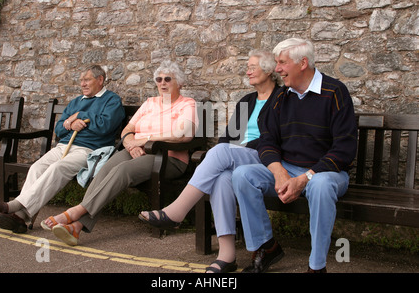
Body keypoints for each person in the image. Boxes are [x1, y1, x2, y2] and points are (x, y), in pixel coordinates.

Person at [139, 50, 281, 273]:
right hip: (237, 159)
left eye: (253, 67)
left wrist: (235, 151)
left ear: (270, 70)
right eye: (248, 66)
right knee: (221, 178)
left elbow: (277, 139)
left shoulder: (282, 100)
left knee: (222, 152)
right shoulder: (248, 101)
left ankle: (177, 211)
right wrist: (232, 151)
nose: (248, 71)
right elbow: (228, 137)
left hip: (265, 160)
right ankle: (227, 256)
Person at [232, 38, 358, 273]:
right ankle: (266, 247)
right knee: (242, 175)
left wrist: (305, 178)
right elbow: (267, 139)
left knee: (319, 186)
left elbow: (344, 150)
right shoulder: (283, 96)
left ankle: (316, 266)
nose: (277, 68)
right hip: (288, 169)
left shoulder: (335, 92)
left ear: (302, 63)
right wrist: (279, 172)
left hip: (328, 173)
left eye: (282, 63)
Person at [41, 60, 198, 246]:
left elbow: (184, 135)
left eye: (167, 79)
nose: (162, 83)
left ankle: (76, 212)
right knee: (105, 169)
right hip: (137, 150)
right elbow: (128, 130)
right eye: (159, 79)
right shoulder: (150, 103)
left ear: (178, 83)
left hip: (168, 158)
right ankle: (76, 228)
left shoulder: (187, 104)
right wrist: (132, 144)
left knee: (122, 171)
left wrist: (143, 141)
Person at [0, 65, 125, 234]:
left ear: (100, 80)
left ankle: (13, 206)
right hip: (63, 146)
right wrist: (71, 124)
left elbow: (106, 126)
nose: (83, 84)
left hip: (89, 151)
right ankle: (21, 218)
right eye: (81, 80)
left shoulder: (112, 100)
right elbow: (59, 130)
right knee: (37, 167)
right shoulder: (76, 102)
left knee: (57, 168)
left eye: (87, 80)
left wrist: (80, 116)